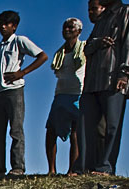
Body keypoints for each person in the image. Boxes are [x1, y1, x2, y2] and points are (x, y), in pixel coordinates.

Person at [0, 11, 48, 176]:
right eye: (1, 24)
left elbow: (42, 56)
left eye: (7, 24)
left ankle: (18, 167)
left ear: (14, 26)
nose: (3, 27)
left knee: (16, 130)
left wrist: (22, 72)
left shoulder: (19, 41)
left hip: (14, 91)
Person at [79, 0, 129, 175]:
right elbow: (87, 48)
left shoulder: (127, 12)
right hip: (92, 81)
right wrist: (97, 43)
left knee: (112, 126)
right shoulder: (102, 18)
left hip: (113, 78)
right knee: (87, 126)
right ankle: (86, 166)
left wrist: (125, 73)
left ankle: (106, 167)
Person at [45, 18, 86, 175]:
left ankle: (72, 169)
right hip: (60, 93)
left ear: (78, 31)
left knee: (75, 131)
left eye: (70, 27)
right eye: (64, 28)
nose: (66, 30)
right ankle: (52, 169)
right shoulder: (60, 53)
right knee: (51, 130)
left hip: (77, 93)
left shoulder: (83, 48)